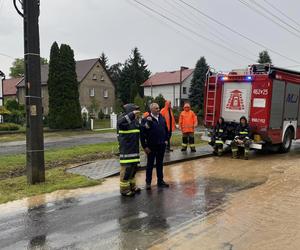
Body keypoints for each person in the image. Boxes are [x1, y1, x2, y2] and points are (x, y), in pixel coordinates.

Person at [141, 103, 169, 190]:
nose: (158, 109)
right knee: (150, 164)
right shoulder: (146, 120)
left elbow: (166, 130)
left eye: (158, 108)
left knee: (160, 164)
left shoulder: (162, 118)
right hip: (151, 147)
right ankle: (148, 183)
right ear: (151, 110)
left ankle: (160, 181)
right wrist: (145, 147)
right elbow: (142, 135)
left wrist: (166, 139)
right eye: (156, 108)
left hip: (161, 145)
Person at [117, 103, 141, 197]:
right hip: (126, 151)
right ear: (130, 111)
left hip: (134, 150)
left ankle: (132, 186)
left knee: (133, 170)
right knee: (126, 171)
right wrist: (131, 115)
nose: (136, 112)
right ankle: (124, 190)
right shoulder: (123, 120)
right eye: (134, 110)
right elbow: (121, 123)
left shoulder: (134, 121)